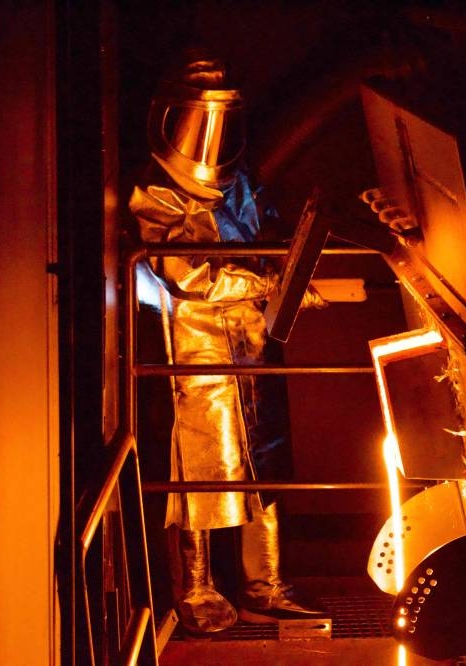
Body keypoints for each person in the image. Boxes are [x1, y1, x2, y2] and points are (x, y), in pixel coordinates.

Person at [129, 51, 325, 634]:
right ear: (169, 119)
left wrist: (290, 269)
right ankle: (196, 590)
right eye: (198, 123)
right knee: (197, 476)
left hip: (250, 349)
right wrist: (268, 280)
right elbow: (186, 274)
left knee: (260, 468)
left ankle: (265, 582)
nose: (207, 142)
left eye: (218, 124)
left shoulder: (239, 187)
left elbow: (264, 237)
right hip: (192, 359)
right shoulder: (155, 195)